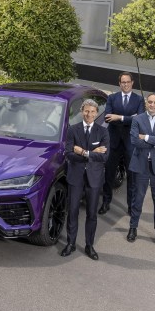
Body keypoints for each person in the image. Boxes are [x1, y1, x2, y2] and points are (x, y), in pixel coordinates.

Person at [60, 99, 109, 260]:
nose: (89, 114)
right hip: (76, 177)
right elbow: (69, 153)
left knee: (92, 214)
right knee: (72, 211)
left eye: (92, 112)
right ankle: (71, 243)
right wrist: (93, 153)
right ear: (82, 112)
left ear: (96, 113)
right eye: (87, 111)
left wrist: (83, 152)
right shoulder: (72, 129)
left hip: (94, 178)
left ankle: (89, 245)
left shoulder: (103, 132)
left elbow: (104, 157)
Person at [126, 93, 155, 246]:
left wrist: (145, 137)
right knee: (137, 199)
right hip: (141, 165)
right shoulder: (137, 119)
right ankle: (133, 228)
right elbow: (134, 141)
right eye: (150, 102)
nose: (152, 105)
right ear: (146, 103)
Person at [100, 72, 145, 215]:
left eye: (128, 82)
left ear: (132, 83)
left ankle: (131, 206)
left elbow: (139, 119)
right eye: (123, 82)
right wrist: (130, 118)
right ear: (119, 84)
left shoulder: (139, 99)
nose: (125, 84)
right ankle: (106, 202)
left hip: (130, 142)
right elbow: (107, 117)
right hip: (113, 141)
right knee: (109, 174)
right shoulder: (112, 98)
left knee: (131, 176)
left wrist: (119, 117)